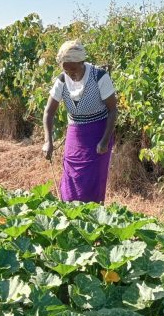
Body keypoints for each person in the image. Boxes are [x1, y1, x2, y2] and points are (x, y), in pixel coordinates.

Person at [42, 40, 117, 203]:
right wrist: (48, 141)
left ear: (82, 63)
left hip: (99, 132)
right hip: (75, 133)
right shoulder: (62, 80)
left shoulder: (99, 77)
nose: (70, 73)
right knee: (71, 176)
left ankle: (92, 219)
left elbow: (113, 110)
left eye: (73, 69)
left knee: (93, 180)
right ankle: (69, 216)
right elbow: (49, 112)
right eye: (66, 68)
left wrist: (104, 141)